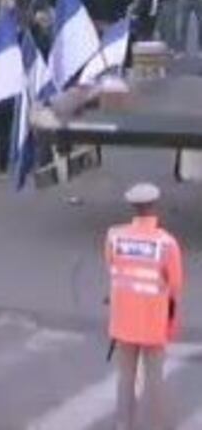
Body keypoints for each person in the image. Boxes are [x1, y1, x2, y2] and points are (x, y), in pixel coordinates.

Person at [105, 183, 183, 430]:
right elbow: (176, 284)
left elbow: (112, 267)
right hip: (153, 322)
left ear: (133, 206)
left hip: (123, 321)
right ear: (154, 206)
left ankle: (123, 424)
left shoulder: (114, 237)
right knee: (154, 379)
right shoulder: (167, 243)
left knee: (125, 377)